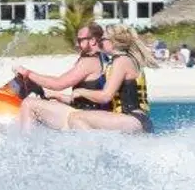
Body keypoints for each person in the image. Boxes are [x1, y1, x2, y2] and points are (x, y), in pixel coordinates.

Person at [24, 24, 155, 133]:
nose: (100, 42)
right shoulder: (122, 60)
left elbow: (105, 96)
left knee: (76, 118)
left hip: (133, 119)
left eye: (103, 39)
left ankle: (92, 154)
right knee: (76, 117)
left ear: (113, 42)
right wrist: (62, 97)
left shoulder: (121, 61)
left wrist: (81, 92)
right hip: (134, 119)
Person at [14, 24, 110, 130]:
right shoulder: (103, 58)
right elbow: (89, 98)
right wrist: (57, 96)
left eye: (80, 40)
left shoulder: (89, 61)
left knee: (29, 103)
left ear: (92, 40)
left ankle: (25, 143)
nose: (76, 44)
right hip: (90, 113)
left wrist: (27, 73)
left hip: (82, 116)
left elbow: (58, 84)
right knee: (49, 103)